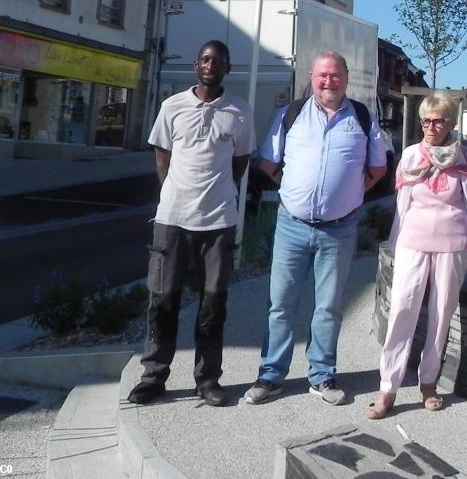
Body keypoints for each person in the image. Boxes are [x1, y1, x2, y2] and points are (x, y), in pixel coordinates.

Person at [243, 51, 387, 406]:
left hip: (339, 230)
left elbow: (378, 168)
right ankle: (270, 375)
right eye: (322, 75)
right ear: (311, 77)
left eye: (335, 75)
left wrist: (352, 193)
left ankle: (322, 375)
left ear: (346, 78)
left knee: (329, 306)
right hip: (292, 226)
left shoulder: (363, 118)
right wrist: (291, 189)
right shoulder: (289, 116)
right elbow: (267, 161)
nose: (328, 82)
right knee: (280, 304)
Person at [127, 40, 255, 407]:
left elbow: (239, 163)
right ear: (195, 65)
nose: (210, 64)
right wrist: (175, 194)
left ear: (227, 68)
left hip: (218, 223)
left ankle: (208, 379)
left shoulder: (241, 112)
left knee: (213, 305)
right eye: (204, 59)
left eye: (218, 60)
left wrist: (220, 194)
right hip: (172, 220)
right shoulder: (172, 107)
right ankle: (153, 377)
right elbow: (161, 158)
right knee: (163, 301)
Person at [367, 93, 467, 420]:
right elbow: (402, 203)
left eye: (438, 120)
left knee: (441, 313)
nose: (431, 127)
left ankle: (428, 382)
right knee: (402, 309)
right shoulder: (409, 156)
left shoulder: (465, 157)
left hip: (453, 242)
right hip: (413, 240)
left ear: (451, 123)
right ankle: (388, 386)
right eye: (425, 120)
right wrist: (393, 240)